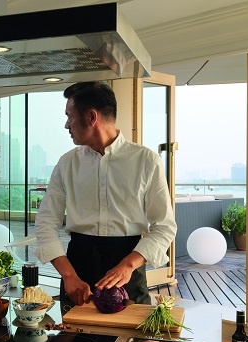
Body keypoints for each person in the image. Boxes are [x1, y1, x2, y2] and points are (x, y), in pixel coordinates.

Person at [35, 81, 176, 307]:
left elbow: (164, 227)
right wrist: (69, 276)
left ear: (91, 117)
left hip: (128, 274)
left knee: (132, 332)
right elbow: (45, 223)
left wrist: (128, 265)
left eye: (69, 116)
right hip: (77, 275)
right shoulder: (67, 163)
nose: (66, 125)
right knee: (73, 332)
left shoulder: (146, 161)